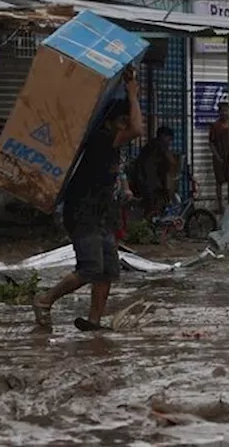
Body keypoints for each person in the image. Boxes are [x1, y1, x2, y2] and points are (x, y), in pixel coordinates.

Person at [33, 67, 143, 332]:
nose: (126, 127)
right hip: (82, 214)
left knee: (108, 271)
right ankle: (45, 299)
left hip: (101, 216)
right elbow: (138, 129)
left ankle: (94, 321)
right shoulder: (102, 140)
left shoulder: (112, 147)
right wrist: (132, 93)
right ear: (112, 123)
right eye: (122, 122)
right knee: (91, 267)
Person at [131, 125, 178, 218]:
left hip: (145, 179)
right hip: (147, 180)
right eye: (169, 139)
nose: (170, 142)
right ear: (163, 136)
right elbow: (169, 162)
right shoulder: (158, 146)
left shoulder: (153, 145)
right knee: (153, 204)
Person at [208, 102, 229, 207]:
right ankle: (220, 205)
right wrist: (217, 156)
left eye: (226, 110)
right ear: (219, 112)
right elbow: (211, 143)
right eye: (222, 111)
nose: (225, 113)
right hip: (219, 157)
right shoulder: (215, 126)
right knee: (219, 182)